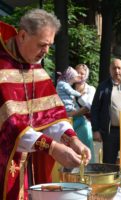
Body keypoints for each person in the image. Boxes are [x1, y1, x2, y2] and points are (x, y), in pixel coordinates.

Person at [0, 9, 91, 200]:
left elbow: (52, 115)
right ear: (23, 35)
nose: (47, 51)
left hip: (32, 165)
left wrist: (72, 139)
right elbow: (10, 126)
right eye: (42, 44)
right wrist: (52, 147)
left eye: (50, 45)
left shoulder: (35, 66)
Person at [67, 64, 96, 163]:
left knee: (86, 152)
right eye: (77, 72)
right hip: (69, 125)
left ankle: (88, 174)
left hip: (84, 125)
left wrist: (72, 114)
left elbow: (88, 107)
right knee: (71, 154)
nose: (79, 75)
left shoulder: (90, 89)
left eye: (82, 73)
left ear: (86, 75)